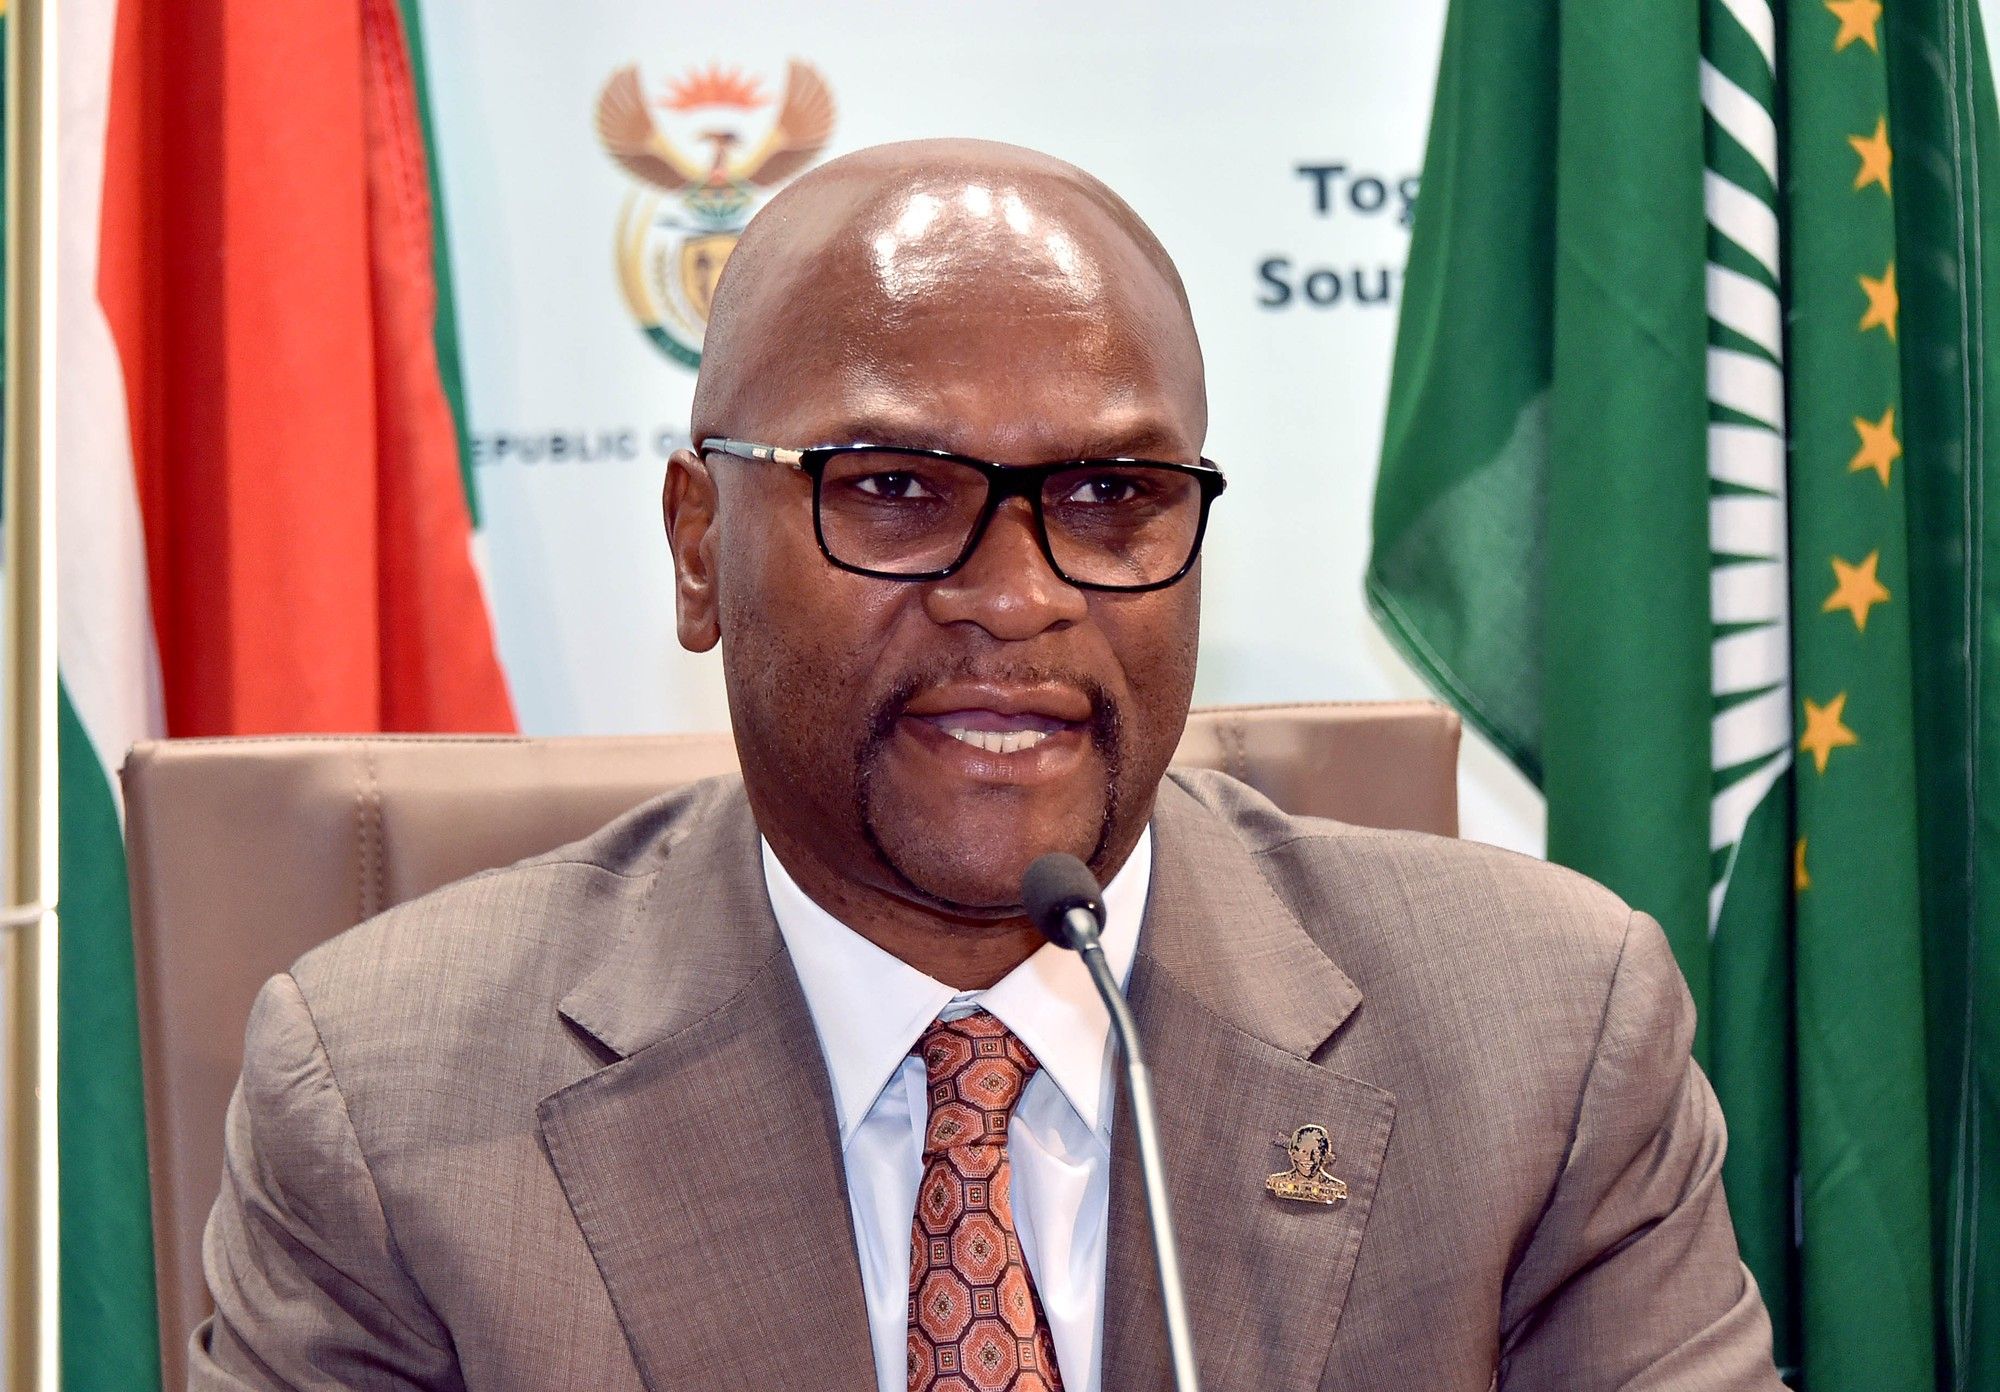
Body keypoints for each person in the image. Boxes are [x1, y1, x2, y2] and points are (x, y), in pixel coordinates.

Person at [189, 139, 1785, 1391]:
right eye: (892, 489)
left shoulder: (1544, 1045)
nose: (1016, 596)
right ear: (698, 547)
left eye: (1110, 498)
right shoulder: (389, 1106)